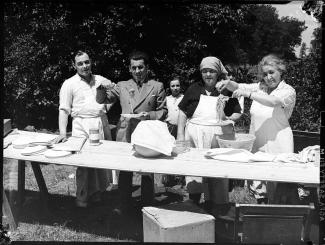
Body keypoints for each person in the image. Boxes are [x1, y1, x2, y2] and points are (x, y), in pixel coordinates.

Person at [216, 54, 298, 204]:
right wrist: (227, 82)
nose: (268, 77)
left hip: (279, 143)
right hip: (258, 142)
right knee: (260, 187)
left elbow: (273, 102)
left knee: (279, 186)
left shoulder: (288, 90)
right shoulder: (259, 87)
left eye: (272, 72)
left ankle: (279, 220)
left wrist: (248, 94)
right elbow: (237, 86)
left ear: (280, 71)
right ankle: (261, 219)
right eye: (265, 74)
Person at [96, 50, 167, 214]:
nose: (137, 71)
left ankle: (148, 205)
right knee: (125, 168)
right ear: (129, 69)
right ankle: (123, 204)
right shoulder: (122, 85)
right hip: (125, 132)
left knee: (147, 170)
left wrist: (149, 115)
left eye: (140, 67)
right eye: (134, 68)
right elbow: (102, 100)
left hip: (147, 132)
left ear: (147, 68)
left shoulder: (157, 86)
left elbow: (163, 112)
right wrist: (101, 87)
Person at [177, 56, 242, 208]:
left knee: (216, 172)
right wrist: (180, 135)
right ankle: (193, 204)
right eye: (205, 71)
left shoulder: (225, 89)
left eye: (211, 71)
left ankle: (217, 206)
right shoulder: (194, 88)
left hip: (217, 136)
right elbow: (182, 112)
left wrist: (228, 119)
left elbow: (237, 112)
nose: (208, 75)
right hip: (194, 135)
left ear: (218, 73)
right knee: (194, 171)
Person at [55, 50, 112, 208]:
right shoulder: (69, 83)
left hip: (99, 123)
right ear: (75, 65)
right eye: (80, 63)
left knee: (99, 161)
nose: (84, 66)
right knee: (83, 163)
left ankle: (97, 194)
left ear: (91, 62)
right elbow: (64, 109)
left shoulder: (99, 79)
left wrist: (106, 106)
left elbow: (114, 92)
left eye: (86, 62)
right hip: (80, 125)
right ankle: (81, 198)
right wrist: (62, 132)